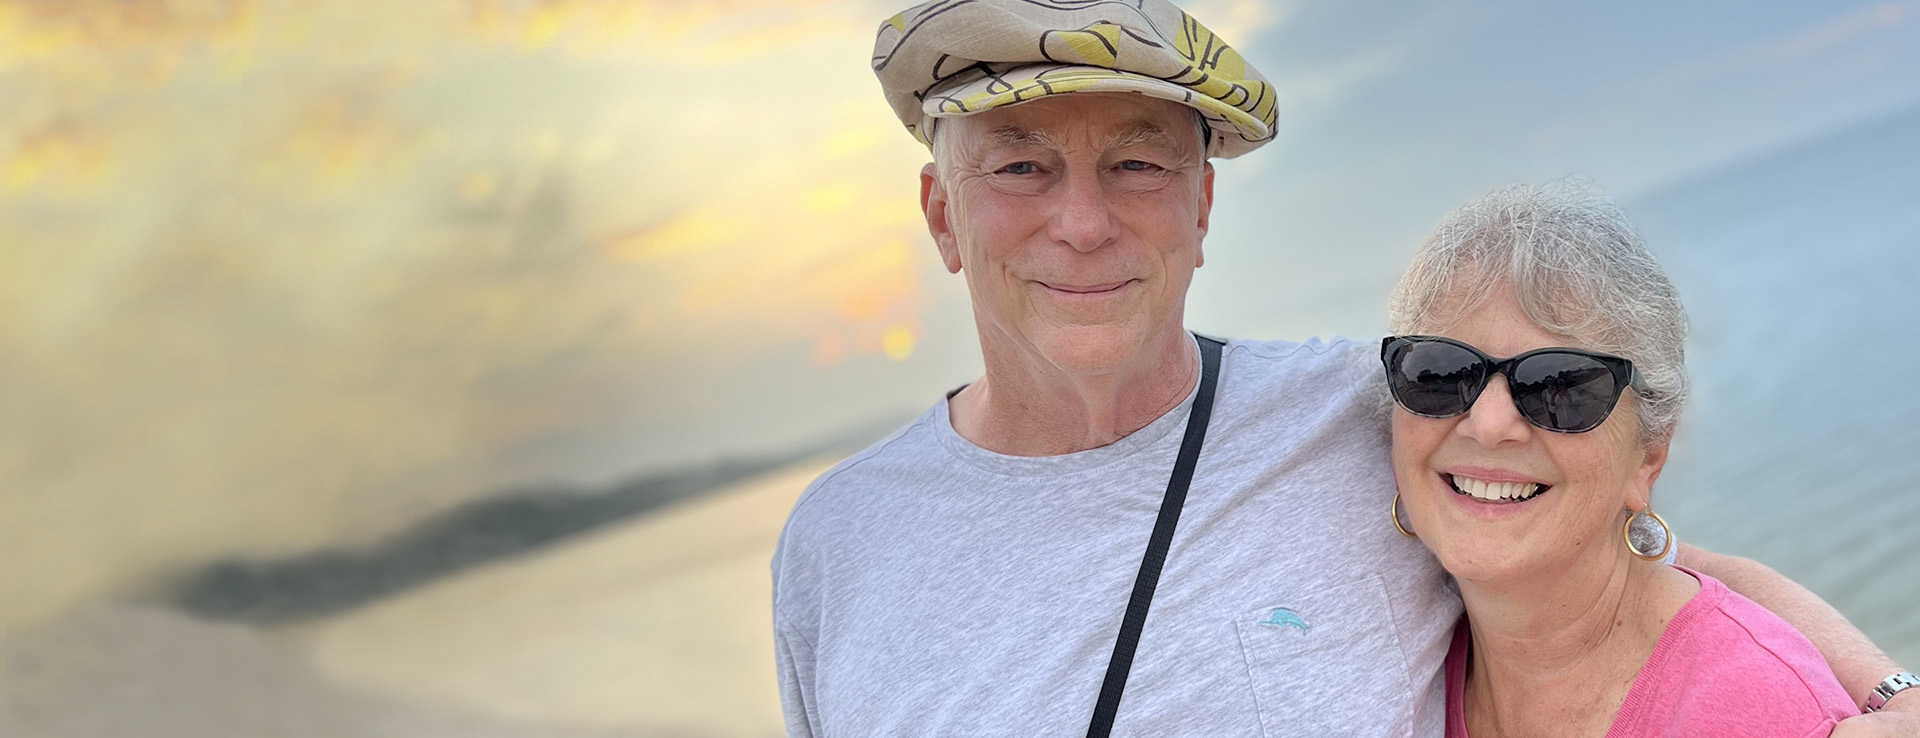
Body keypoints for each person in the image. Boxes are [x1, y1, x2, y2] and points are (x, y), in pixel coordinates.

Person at [772, 0, 1920, 735]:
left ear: (1200, 206)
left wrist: (1882, 699)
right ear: (941, 213)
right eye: (1019, 166)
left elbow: (1627, 546)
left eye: (1136, 163)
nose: (1082, 223)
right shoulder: (838, 550)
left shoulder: (1367, 410)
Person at [1382, 181, 1860, 737]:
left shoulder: (1761, 712)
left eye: (1559, 386)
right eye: (1439, 373)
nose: (1488, 425)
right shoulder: (1391, 679)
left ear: (1648, 457)